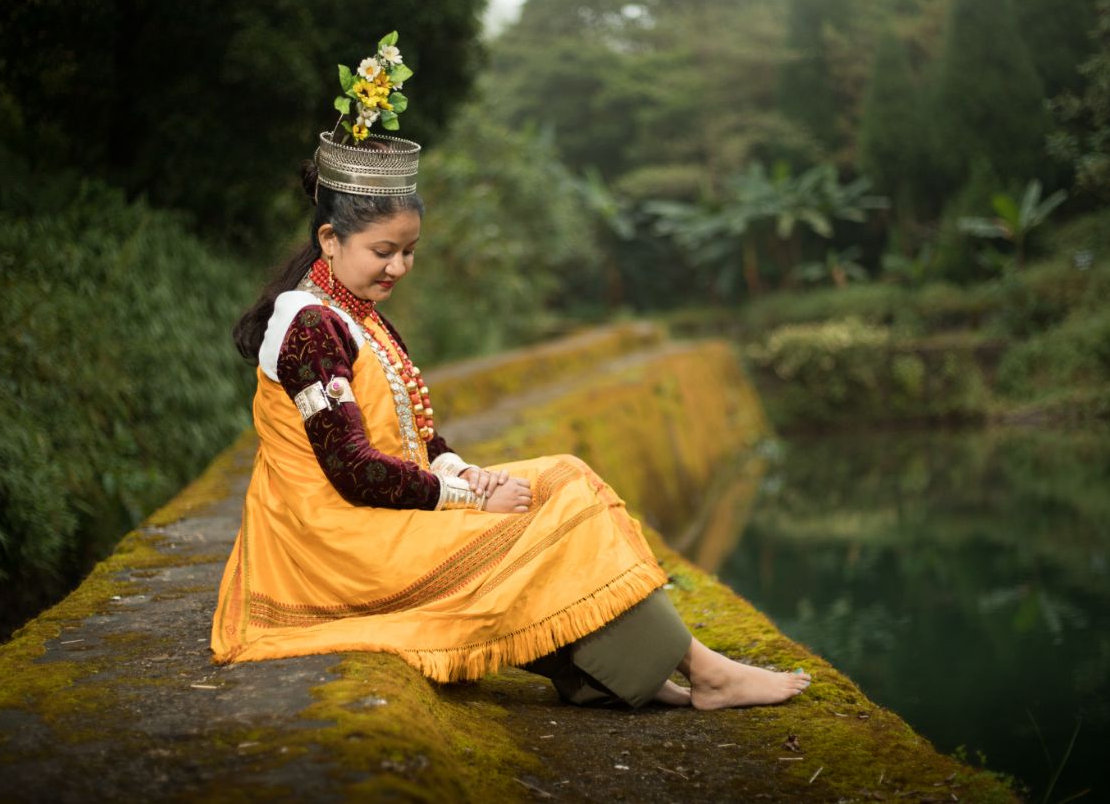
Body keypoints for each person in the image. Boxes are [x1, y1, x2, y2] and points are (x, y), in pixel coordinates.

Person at [210, 47, 811, 710]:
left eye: (409, 252)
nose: (399, 268)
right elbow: (353, 467)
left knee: (567, 479)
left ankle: (608, 671)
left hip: (384, 510)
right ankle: (703, 671)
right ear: (329, 241)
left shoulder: (359, 314)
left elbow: (416, 433)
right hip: (331, 545)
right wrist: (468, 502)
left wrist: (467, 472)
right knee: (553, 521)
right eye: (384, 252)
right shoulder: (310, 328)